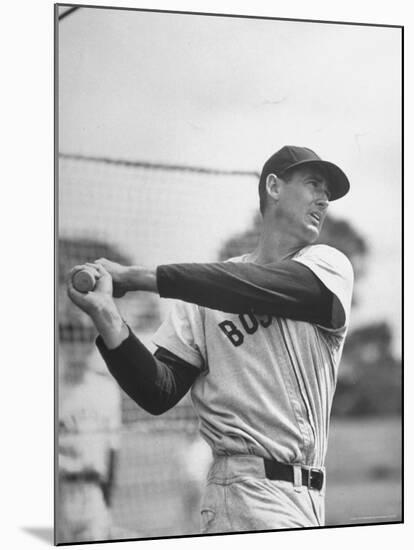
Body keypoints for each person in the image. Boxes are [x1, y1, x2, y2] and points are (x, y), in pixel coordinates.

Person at [67, 145, 354, 533]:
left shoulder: (327, 266)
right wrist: (106, 314)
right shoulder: (203, 297)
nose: (324, 199)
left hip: (308, 498)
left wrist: (136, 278)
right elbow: (158, 391)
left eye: (328, 193)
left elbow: (255, 287)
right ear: (273, 187)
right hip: (241, 490)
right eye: (314, 184)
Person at [58, 334, 122, 543]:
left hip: (92, 488)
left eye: (84, 340)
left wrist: (108, 502)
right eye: (71, 338)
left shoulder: (105, 388)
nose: (78, 348)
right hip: (59, 488)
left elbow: (113, 449)